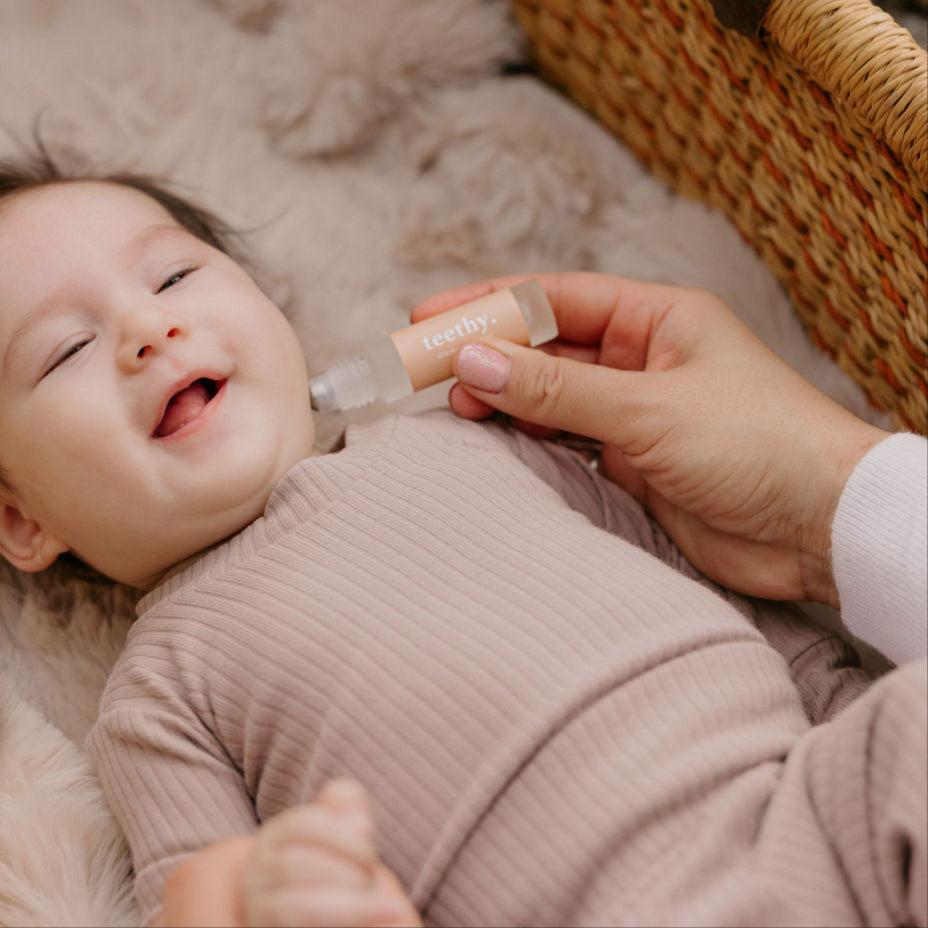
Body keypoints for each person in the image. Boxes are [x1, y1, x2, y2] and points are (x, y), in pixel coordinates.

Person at [0, 154, 924, 928]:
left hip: (812, 804)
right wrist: (253, 897)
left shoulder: (479, 436)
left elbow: (729, 595)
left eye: (174, 277)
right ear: (22, 519)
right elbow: (188, 893)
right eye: (65, 351)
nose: (146, 331)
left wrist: (848, 712)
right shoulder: (158, 691)